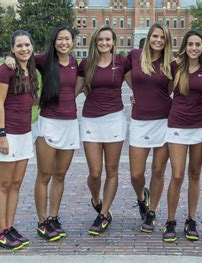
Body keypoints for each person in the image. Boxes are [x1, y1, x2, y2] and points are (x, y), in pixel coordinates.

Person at [5, 25, 79, 242]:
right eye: (59, 39)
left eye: (67, 39)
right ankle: (42, 221)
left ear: (73, 41)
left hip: (70, 125)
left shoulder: (76, 64)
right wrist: (7, 59)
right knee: (44, 175)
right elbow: (22, 57)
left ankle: (53, 217)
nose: (63, 43)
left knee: (60, 175)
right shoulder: (44, 60)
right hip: (49, 123)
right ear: (54, 42)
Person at [0, 30, 38, 250]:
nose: (24, 49)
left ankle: (9, 227)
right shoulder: (6, 69)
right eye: (19, 46)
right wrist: (2, 134)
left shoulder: (29, 69)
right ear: (12, 49)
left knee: (16, 184)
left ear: (32, 46)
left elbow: (29, 101)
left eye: (27, 45)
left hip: (24, 134)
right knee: (3, 184)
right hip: (7, 134)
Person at [76, 25, 130, 235]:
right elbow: (75, 90)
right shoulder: (86, 64)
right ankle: (96, 199)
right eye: (100, 40)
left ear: (114, 42)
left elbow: (141, 85)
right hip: (91, 121)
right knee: (95, 173)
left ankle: (104, 213)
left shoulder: (122, 63)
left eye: (108, 39)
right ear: (95, 42)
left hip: (115, 120)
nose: (104, 43)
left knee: (112, 169)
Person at [163, 29, 202, 242]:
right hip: (177, 125)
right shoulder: (175, 66)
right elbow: (161, 90)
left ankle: (191, 219)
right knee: (176, 175)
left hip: (200, 125)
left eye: (198, 44)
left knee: (194, 174)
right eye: (190, 44)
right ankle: (171, 220)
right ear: (184, 46)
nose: (194, 48)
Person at [125, 22, 173, 233]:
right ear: (149, 37)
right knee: (136, 174)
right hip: (139, 121)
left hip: (164, 120)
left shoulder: (171, 62)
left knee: (158, 170)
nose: (158, 40)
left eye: (162, 38)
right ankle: (142, 197)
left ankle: (151, 212)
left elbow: (172, 89)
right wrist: (135, 90)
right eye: (155, 36)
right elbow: (122, 73)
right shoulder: (135, 55)